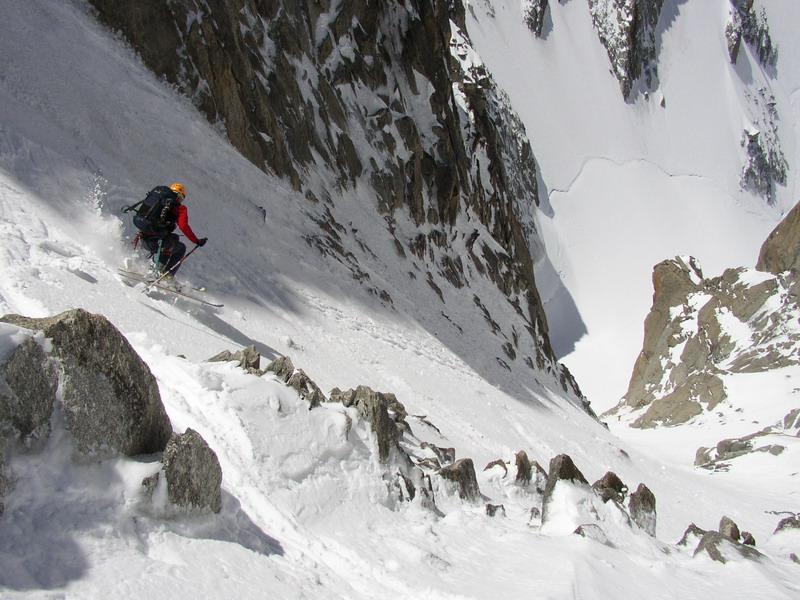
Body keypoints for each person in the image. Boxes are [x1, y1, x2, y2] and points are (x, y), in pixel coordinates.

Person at [138, 183, 207, 285]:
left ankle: (153, 269)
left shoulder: (157, 201)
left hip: (143, 239)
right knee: (180, 247)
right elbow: (183, 226)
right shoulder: (179, 208)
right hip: (159, 243)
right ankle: (165, 274)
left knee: (171, 239)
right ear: (180, 196)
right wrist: (196, 241)